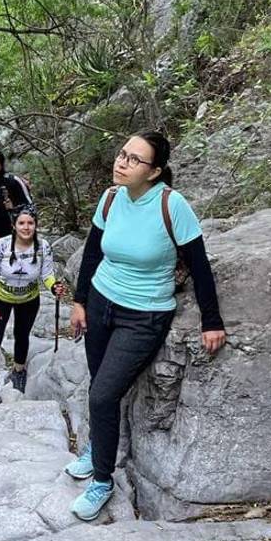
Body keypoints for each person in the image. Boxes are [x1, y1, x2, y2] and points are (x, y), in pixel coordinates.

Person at [65, 131, 226, 521]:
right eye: (122, 154)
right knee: (99, 384)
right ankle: (99, 447)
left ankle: (102, 480)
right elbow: (92, 252)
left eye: (134, 159)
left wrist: (212, 320)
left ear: (154, 171)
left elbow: (199, 264)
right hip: (101, 302)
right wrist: (79, 301)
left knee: (103, 395)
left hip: (144, 314)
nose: (122, 162)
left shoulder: (172, 205)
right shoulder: (111, 198)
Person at [0, 205, 65, 406]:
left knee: (22, 335)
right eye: (21, 223)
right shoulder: (1, 246)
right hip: (0, 300)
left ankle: (19, 371)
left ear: (36, 225)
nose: (26, 227)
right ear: (14, 225)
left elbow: (46, 274)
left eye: (30, 223)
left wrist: (53, 286)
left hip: (29, 299)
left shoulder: (43, 246)